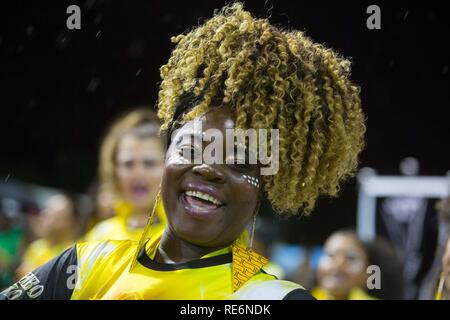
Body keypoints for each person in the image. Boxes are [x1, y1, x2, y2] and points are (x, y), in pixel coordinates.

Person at [0, 3, 365, 300]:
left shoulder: (269, 296)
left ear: (261, 189)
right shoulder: (85, 265)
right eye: (192, 148)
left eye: (238, 161)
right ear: (167, 160)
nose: (208, 168)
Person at [82, 109, 166, 242]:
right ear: (114, 170)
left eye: (149, 163)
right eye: (128, 164)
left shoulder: (183, 238)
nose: (138, 173)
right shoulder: (100, 237)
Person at [15, 194, 76, 278]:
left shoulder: (72, 253)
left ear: (69, 222)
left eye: (55, 218)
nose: (47, 222)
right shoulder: (36, 247)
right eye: (46, 215)